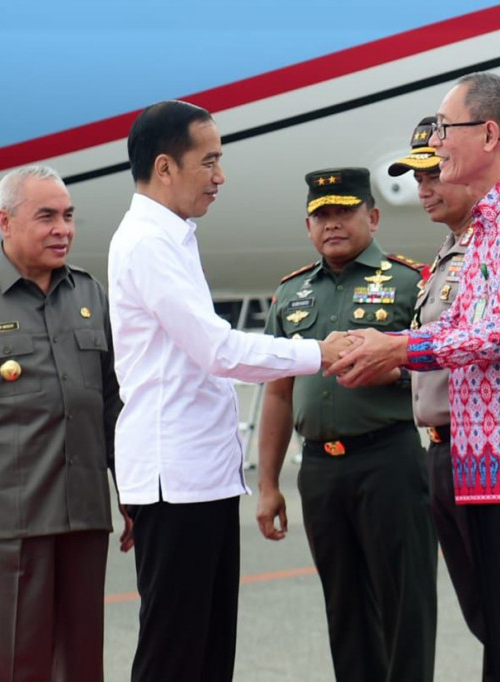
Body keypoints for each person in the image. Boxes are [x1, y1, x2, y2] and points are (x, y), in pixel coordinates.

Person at [325, 72, 500, 681]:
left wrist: (398, 349)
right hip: (484, 465)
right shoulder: (485, 225)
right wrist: (392, 349)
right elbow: (463, 327)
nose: (436, 142)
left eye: (446, 129)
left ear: (489, 134)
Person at [107, 100, 351, 682]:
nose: (221, 177)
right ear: (165, 167)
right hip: (175, 482)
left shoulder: (173, 236)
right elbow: (218, 350)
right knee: (174, 656)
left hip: (201, 477)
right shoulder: (147, 243)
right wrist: (320, 352)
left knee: (210, 653)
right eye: (209, 162)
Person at [0, 166, 130, 681]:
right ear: (6, 222)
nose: (63, 229)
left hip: (82, 517)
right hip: (6, 524)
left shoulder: (88, 294)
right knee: (11, 664)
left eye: (68, 216)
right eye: (47, 217)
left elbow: (111, 404)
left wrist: (130, 491)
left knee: (82, 665)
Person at [256, 166, 437, 682]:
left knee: (406, 604)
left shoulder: (411, 282)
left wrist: (397, 370)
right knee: (345, 607)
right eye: (321, 215)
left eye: (344, 212)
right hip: (320, 469)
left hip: (389, 461)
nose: (332, 223)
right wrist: (268, 484)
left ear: (373, 217)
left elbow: (442, 366)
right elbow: (278, 393)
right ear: (308, 226)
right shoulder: (291, 294)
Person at [387, 116, 494, 681]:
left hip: (477, 448)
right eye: (418, 178)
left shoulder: (486, 248)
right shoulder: (450, 250)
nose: (423, 188)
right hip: (442, 449)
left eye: (434, 174)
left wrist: (397, 349)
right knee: (483, 611)